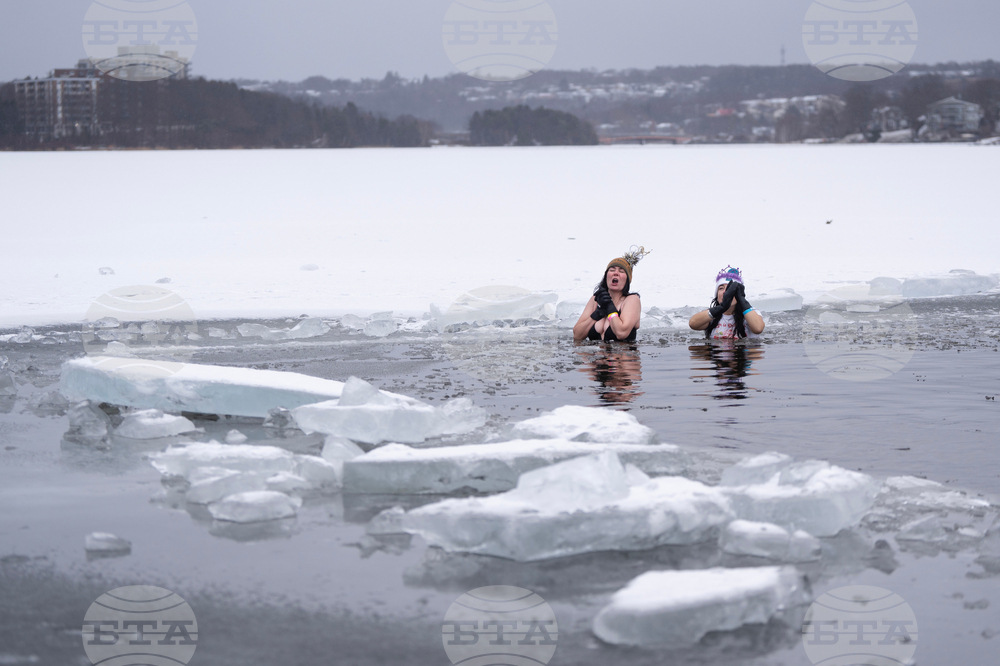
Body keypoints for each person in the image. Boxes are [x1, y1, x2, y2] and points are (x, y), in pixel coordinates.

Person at [573, 247, 650, 342]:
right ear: (606, 276)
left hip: (621, 355)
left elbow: (621, 333)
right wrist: (597, 313)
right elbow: (577, 336)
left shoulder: (631, 300)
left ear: (627, 280)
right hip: (596, 356)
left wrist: (610, 308)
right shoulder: (595, 300)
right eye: (612, 270)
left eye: (621, 271)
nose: (616, 273)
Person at [688, 266, 765, 339]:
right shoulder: (711, 316)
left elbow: (758, 329)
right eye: (721, 288)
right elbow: (693, 324)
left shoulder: (751, 313)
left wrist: (742, 300)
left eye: (730, 289)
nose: (726, 292)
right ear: (717, 294)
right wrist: (722, 307)